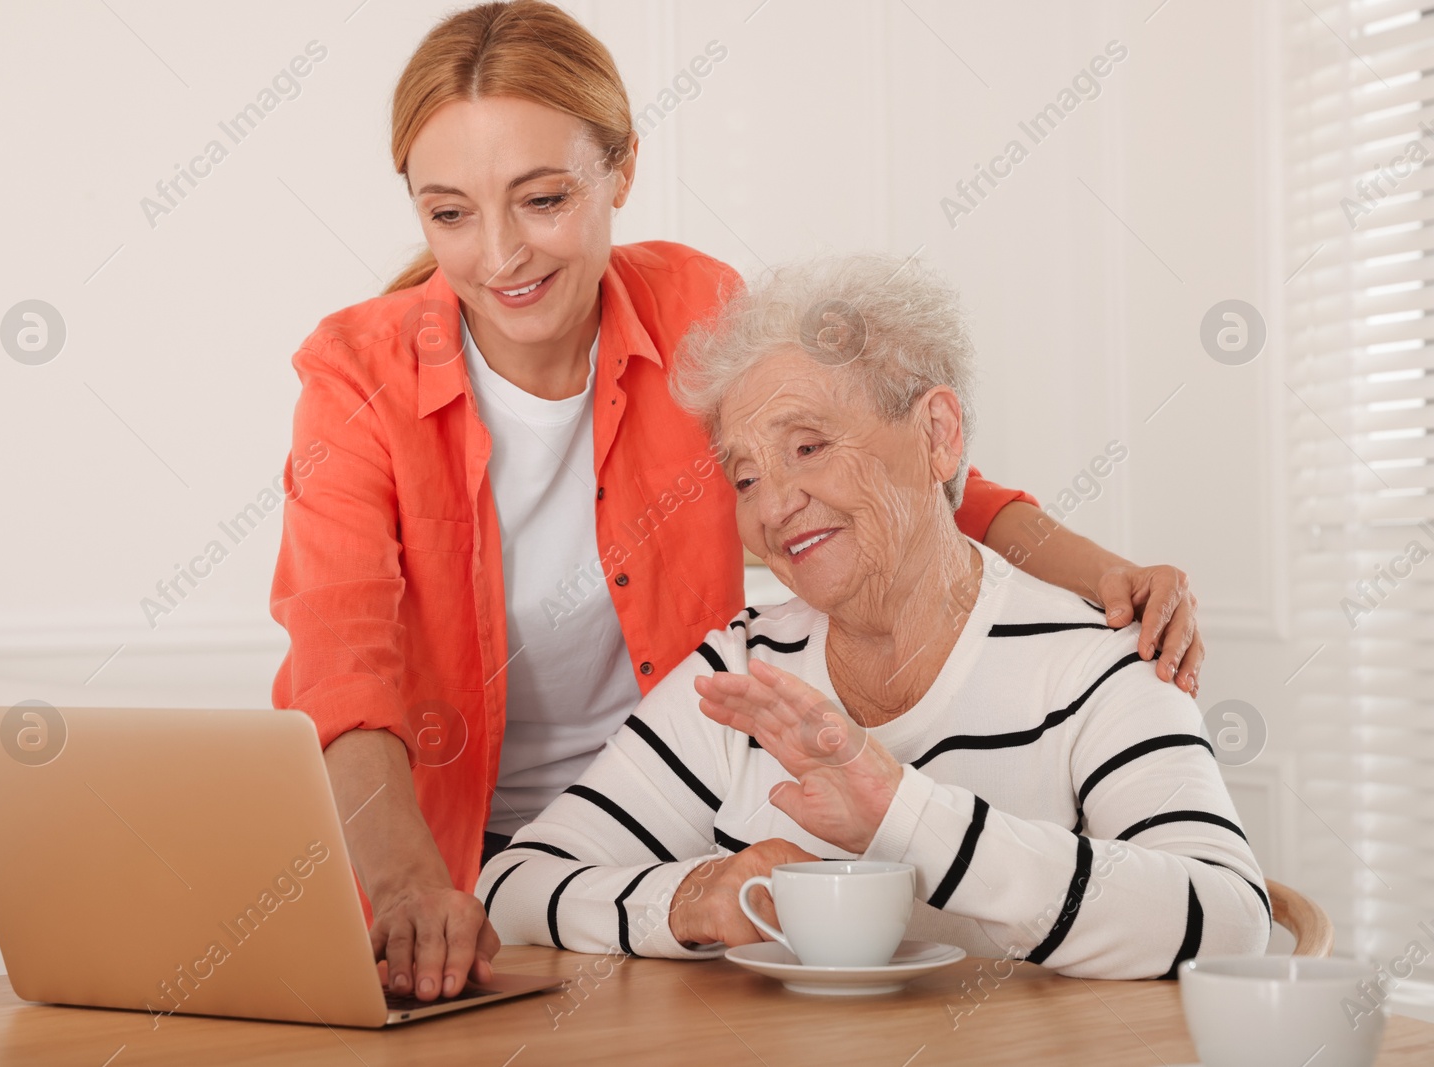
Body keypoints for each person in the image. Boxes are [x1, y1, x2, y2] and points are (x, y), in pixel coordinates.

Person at [268, 0, 1206, 1002]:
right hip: (434, 844)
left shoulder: (691, 306)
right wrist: (409, 877)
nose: (498, 257)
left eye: (541, 199)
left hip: (660, 825)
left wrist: (1101, 574)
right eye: (449, 213)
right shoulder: (355, 372)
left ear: (621, 169)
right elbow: (340, 655)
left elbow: (881, 462)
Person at [476, 255, 1268, 978]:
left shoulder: (1100, 662)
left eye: (810, 447)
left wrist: (904, 814)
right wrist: (688, 899)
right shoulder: (743, 672)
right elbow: (512, 886)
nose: (776, 505)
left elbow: (1229, 921)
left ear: (936, 435)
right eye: (745, 478)